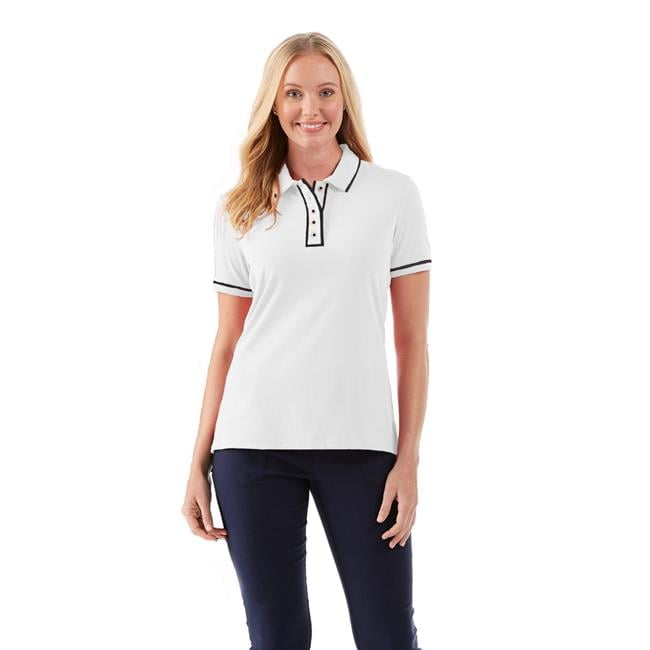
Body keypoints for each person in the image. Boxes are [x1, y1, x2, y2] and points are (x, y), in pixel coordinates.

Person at [182, 31, 430, 650]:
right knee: (276, 638)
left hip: (362, 448)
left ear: (345, 99)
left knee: (387, 635)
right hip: (251, 447)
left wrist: (408, 459)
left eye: (325, 92)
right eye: (293, 93)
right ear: (273, 102)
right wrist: (198, 460)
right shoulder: (239, 208)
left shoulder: (393, 196)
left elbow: (412, 341)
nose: (310, 108)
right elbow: (227, 343)